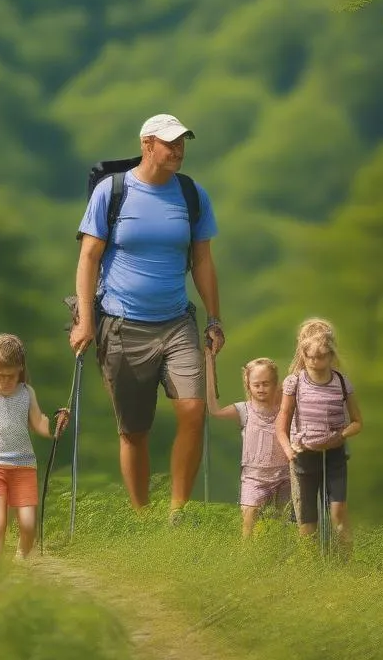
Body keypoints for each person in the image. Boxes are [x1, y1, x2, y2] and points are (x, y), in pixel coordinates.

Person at [69, 113, 223, 522]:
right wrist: (85, 321)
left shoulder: (191, 194)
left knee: (194, 410)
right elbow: (88, 259)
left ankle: (177, 513)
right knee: (134, 431)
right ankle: (142, 518)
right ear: (147, 144)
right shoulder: (112, 191)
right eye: (169, 143)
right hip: (121, 325)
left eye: (182, 143)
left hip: (176, 323)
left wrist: (214, 319)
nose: (177, 150)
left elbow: (203, 261)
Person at [0, 334, 68, 560]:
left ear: (21, 369)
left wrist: (53, 428)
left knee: (28, 525)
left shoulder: (26, 393)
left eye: (13, 375)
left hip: (23, 467)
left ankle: (20, 561)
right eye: (1, 375)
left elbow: (38, 423)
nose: (7, 381)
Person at [274, 319, 363, 553]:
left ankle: (347, 561)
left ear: (331, 355)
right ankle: (309, 563)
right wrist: (288, 450)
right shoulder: (294, 383)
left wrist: (340, 435)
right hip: (304, 454)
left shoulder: (342, 383)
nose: (316, 362)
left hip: (334, 454)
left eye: (322, 356)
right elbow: (281, 423)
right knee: (307, 516)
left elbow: (357, 422)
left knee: (338, 510)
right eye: (311, 357)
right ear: (302, 355)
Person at [205, 351, 290, 538]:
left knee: (284, 522)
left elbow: (294, 379)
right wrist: (209, 366)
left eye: (266, 384)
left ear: (275, 385)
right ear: (249, 386)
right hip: (254, 477)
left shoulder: (284, 407)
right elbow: (214, 411)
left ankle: (281, 554)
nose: (261, 389)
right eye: (256, 385)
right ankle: (246, 557)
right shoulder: (244, 410)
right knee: (248, 519)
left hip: (284, 476)